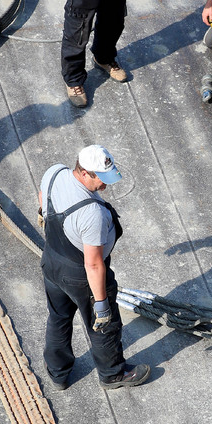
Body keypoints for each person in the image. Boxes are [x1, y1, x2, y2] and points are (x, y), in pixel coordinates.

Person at [38, 145, 150, 390]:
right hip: (81, 275)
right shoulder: (92, 214)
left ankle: (58, 373)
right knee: (103, 326)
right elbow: (93, 264)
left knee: (58, 317)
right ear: (85, 172)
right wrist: (101, 304)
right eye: (101, 178)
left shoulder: (55, 173)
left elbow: (42, 196)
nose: (105, 186)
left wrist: (43, 214)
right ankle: (112, 374)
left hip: (52, 262)